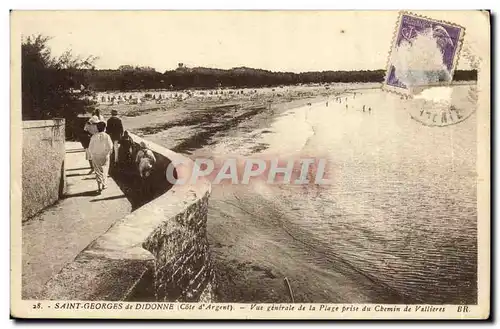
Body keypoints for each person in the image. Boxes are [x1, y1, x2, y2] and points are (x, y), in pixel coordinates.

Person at [88, 121, 113, 193]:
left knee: (98, 171)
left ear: (97, 128)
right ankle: (104, 184)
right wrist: (107, 153)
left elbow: (90, 147)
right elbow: (110, 146)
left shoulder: (94, 136)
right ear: (105, 128)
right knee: (105, 170)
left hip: (95, 156)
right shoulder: (107, 136)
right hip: (104, 156)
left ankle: (99, 187)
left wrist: (92, 154)